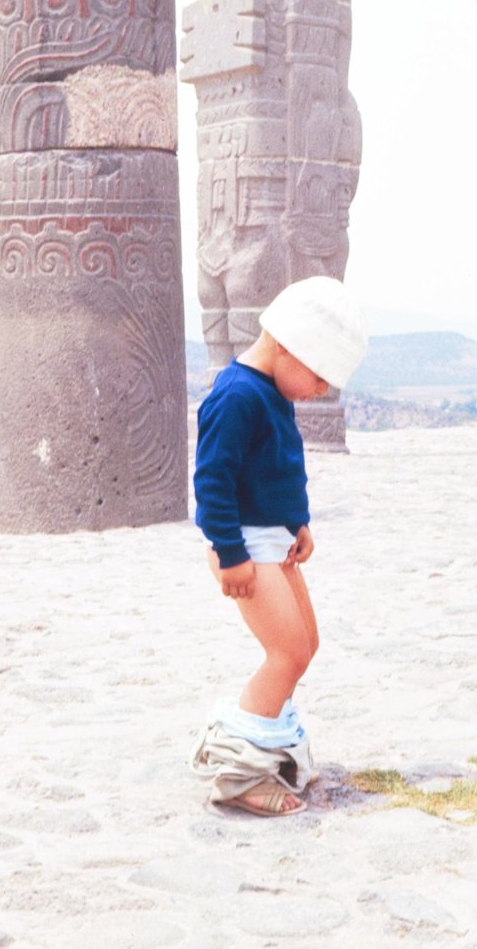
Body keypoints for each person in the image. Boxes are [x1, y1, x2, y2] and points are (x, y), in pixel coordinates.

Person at [191, 276, 368, 816]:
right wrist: (230, 554)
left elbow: (282, 465)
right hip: (244, 545)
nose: (318, 390)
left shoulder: (273, 391)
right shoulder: (237, 395)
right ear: (290, 347)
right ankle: (238, 770)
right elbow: (212, 480)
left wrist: (299, 521)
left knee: (305, 646)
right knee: (285, 652)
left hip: (274, 541)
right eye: (319, 377)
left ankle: (271, 748)